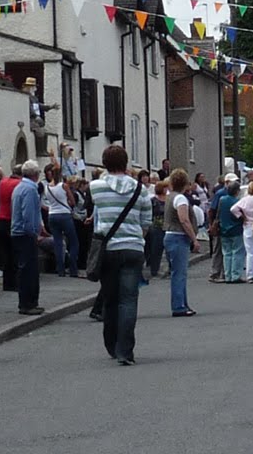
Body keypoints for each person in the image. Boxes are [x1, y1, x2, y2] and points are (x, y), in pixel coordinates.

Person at [91, 145, 153, 365]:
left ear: (104, 162)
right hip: (133, 248)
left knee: (110, 298)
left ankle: (111, 344)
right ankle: (125, 351)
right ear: (126, 162)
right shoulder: (141, 189)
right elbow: (146, 223)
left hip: (109, 249)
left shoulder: (95, 187)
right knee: (128, 300)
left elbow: (98, 217)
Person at [10, 160, 45, 316]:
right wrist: (34, 233)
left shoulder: (19, 187)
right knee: (29, 270)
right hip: (26, 234)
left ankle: (26, 302)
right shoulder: (30, 190)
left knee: (24, 269)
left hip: (17, 233)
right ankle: (28, 304)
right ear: (36, 174)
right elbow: (28, 215)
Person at [164, 169, 201, 317]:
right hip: (178, 237)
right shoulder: (180, 199)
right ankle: (179, 306)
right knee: (179, 273)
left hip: (169, 235)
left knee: (177, 272)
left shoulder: (169, 196)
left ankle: (182, 304)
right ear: (185, 184)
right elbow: (184, 220)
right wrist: (194, 239)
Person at [42, 163, 79, 278]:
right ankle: (73, 269)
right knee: (73, 242)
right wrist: (67, 202)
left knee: (58, 243)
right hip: (65, 215)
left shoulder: (47, 187)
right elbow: (72, 202)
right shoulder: (64, 186)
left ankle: (60, 270)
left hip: (52, 215)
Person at [215, 174, 245, 283]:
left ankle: (227, 275)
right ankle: (235, 275)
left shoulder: (222, 200)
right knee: (237, 252)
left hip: (224, 229)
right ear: (237, 191)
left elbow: (218, 213)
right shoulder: (238, 202)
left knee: (226, 253)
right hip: (236, 228)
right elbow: (241, 215)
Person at [0, 165, 22, 291]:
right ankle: (15, 283)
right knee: (15, 253)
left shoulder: (2, 182)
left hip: (1, 218)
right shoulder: (19, 184)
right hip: (12, 219)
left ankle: (6, 283)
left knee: (6, 253)